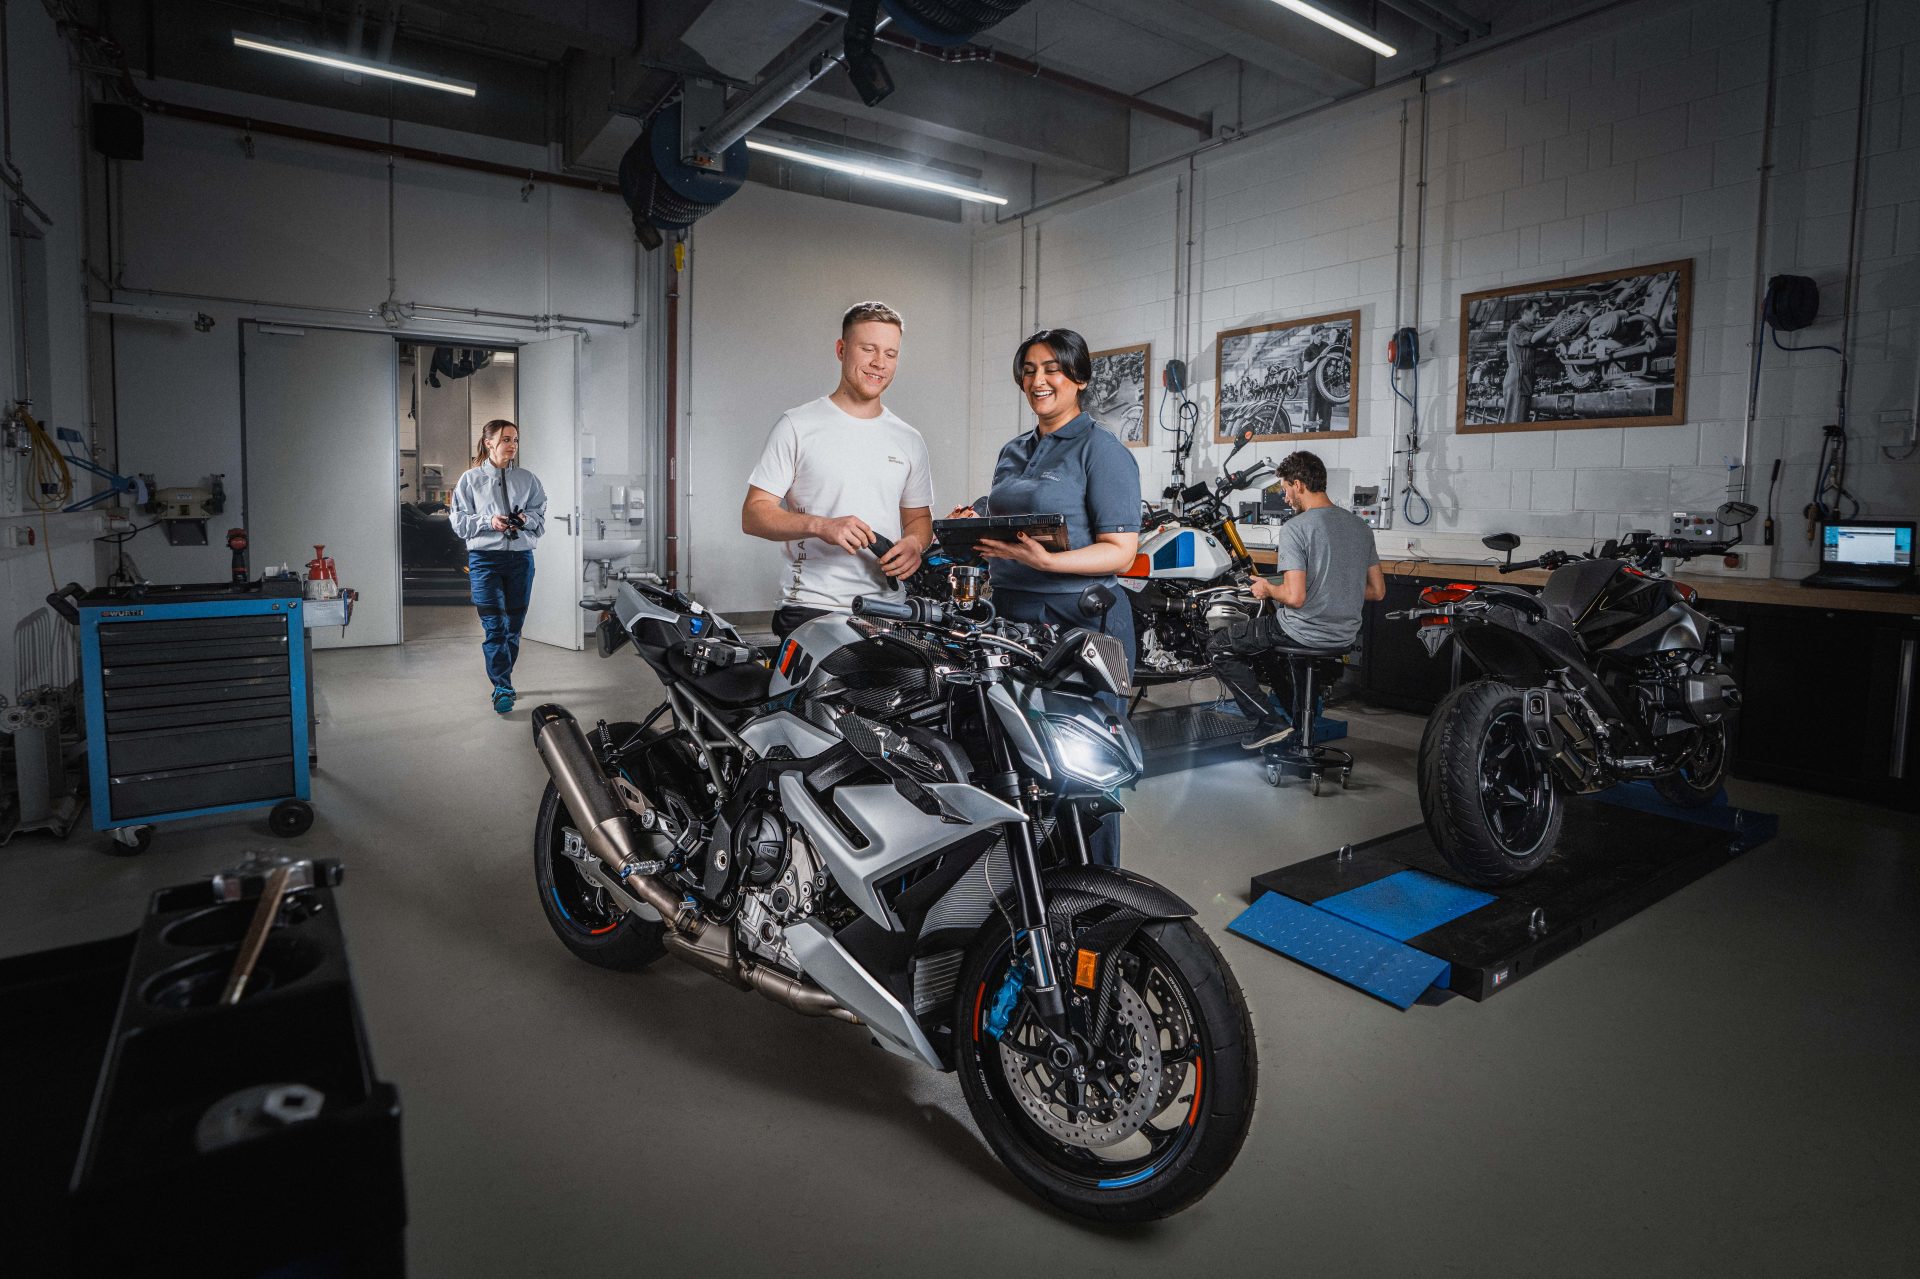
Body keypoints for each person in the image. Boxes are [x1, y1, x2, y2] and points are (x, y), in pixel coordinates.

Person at [950, 327, 1141, 868]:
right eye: (1029, 370)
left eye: (1052, 368)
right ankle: (1034, 883)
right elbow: (1011, 519)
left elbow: (1121, 552)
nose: (1039, 380)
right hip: (1011, 621)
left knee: (1087, 768)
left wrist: (1050, 562)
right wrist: (976, 522)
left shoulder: (1102, 452)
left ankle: (1093, 886)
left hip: (1080, 625)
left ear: (1078, 378)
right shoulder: (1014, 451)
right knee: (1019, 756)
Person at [743, 301, 933, 638]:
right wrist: (820, 526)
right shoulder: (797, 425)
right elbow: (754, 514)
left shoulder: (910, 439)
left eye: (890, 354)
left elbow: (919, 519)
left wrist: (915, 545)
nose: (879, 363)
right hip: (812, 607)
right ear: (841, 350)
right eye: (868, 349)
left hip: (888, 609)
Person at [1210, 450, 1384, 750]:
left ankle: (1268, 723)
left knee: (1220, 646)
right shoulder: (1360, 527)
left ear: (1299, 484)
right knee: (1261, 642)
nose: (1285, 497)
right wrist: (1332, 587)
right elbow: (1377, 591)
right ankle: (1296, 725)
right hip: (1342, 634)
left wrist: (1266, 588)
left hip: (1303, 630)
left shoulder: (1296, 528)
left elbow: (1294, 597)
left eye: (1285, 488)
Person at [449, 418, 547, 715]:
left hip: (520, 560)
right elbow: (459, 523)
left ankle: (503, 677)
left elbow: (539, 517)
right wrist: (489, 522)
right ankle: (502, 685)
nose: (512, 445)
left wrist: (525, 520)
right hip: (485, 562)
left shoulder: (528, 479)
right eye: (506, 439)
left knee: (513, 628)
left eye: (515, 440)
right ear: (489, 442)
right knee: (495, 627)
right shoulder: (470, 480)